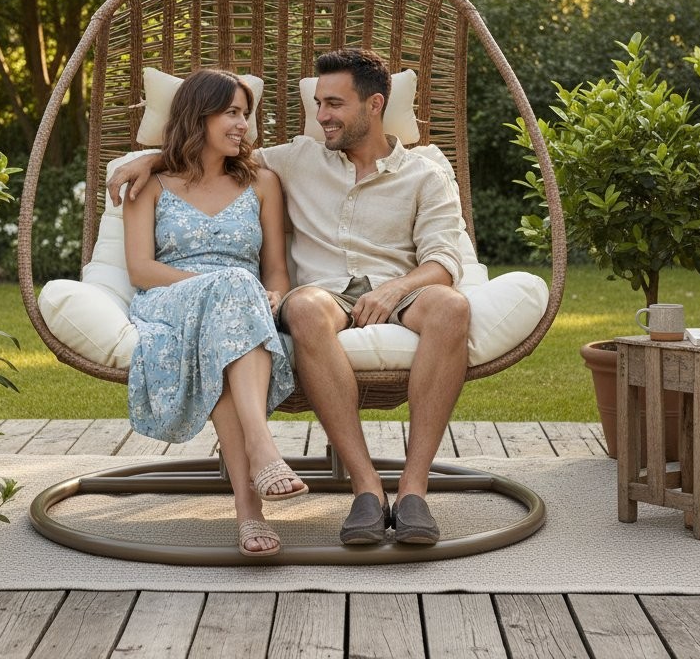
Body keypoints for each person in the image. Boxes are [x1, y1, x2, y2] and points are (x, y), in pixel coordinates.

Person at [111, 49, 470, 546]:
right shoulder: (297, 157)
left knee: (452, 305)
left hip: (400, 287)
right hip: (323, 295)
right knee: (300, 305)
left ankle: (413, 492)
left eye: (334, 104)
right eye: (318, 103)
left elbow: (443, 261)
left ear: (375, 105)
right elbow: (209, 155)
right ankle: (367, 489)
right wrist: (151, 158)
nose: (321, 115)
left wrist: (396, 289)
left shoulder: (426, 173)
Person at [122, 68, 306, 558]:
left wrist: (274, 296)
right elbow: (141, 269)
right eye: (231, 113)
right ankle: (262, 449)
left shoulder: (263, 182)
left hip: (242, 306)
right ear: (197, 115)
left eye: (245, 114)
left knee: (228, 329)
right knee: (232, 290)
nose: (243, 124)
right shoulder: (150, 184)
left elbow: (275, 270)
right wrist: (219, 287)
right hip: (169, 299)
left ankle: (249, 510)